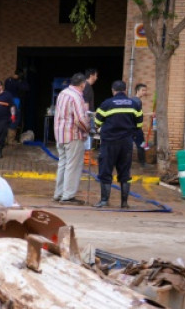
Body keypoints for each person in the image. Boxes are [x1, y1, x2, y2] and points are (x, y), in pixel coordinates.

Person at [93, 80, 143, 208]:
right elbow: (139, 125)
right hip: (126, 143)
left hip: (109, 142)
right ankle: (124, 203)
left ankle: (104, 200)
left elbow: (97, 122)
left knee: (105, 170)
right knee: (125, 171)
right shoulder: (134, 104)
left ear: (113, 90)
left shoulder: (107, 104)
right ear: (125, 90)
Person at [52, 73, 91, 205]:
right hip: (73, 135)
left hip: (60, 134)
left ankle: (59, 193)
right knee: (72, 166)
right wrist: (89, 129)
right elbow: (80, 119)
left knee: (63, 164)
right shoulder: (77, 96)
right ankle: (68, 196)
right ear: (82, 84)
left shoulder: (63, 93)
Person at [4, 69, 29, 142]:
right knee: (14, 118)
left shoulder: (8, 80)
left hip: (8, 101)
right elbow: (25, 88)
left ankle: (6, 139)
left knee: (8, 118)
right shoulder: (15, 81)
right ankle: (10, 140)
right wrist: (21, 81)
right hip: (14, 101)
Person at [132, 83, 150, 168]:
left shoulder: (133, 100)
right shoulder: (137, 101)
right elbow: (137, 115)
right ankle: (143, 163)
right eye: (143, 90)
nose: (144, 92)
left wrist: (149, 114)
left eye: (145, 90)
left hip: (132, 128)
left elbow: (139, 114)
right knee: (142, 145)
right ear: (137, 90)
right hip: (136, 129)